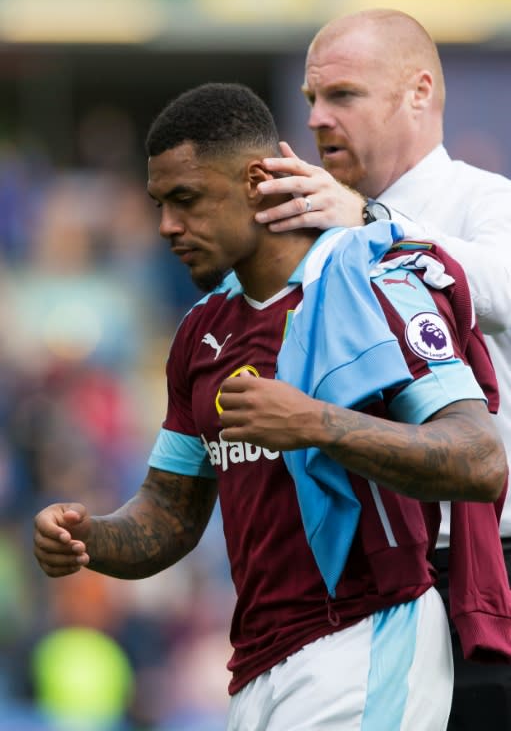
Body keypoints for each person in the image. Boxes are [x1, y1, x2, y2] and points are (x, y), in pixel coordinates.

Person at [33, 82, 509, 731]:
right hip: (259, 659)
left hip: (371, 636)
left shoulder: (373, 282)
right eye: (160, 204)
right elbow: (171, 511)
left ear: (257, 180)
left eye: (187, 200)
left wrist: (317, 424)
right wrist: (92, 537)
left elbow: (479, 459)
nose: (168, 226)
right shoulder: (201, 330)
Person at [253, 8, 511, 731]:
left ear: (418, 92)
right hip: (353, 586)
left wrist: (369, 222)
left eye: (342, 96)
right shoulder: (313, 229)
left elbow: (498, 285)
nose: (317, 118)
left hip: (483, 571)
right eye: (309, 99)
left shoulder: (480, 199)